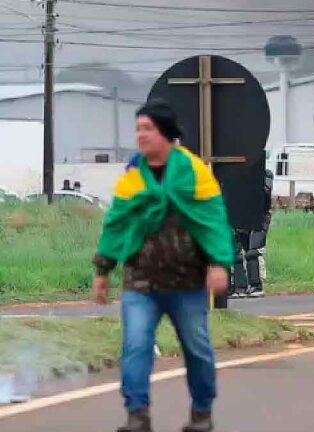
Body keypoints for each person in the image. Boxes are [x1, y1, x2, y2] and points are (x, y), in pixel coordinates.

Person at [92, 100, 233, 432]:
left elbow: (213, 220)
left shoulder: (194, 171)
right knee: (135, 346)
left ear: (166, 133)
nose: (141, 135)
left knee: (197, 349)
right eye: (138, 128)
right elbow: (116, 224)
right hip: (140, 282)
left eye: (148, 128)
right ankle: (137, 414)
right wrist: (102, 270)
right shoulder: (133, 176)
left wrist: (218, 263)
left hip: (187, 283)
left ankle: (202, 412)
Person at [231, 168, 274, 298]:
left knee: (252, 252)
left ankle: (256, 285)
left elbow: (265, 193)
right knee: (236, 254)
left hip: (260, 218)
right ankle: (239, 287)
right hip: (240, 217)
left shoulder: (265, 175)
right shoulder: (233, 175)